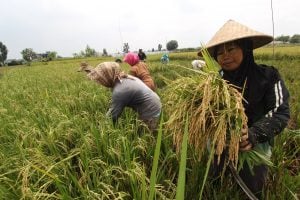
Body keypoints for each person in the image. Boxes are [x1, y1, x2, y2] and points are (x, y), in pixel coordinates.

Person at [198, 20, 290, 198]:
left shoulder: (269, 76)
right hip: (220, 144)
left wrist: (254, 134)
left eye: (231, 49)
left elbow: (280, 112)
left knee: (252, 189)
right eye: (220, 52)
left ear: (246, 48)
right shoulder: (214, 83)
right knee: (216, 185)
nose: (225, 56)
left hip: (254, 146)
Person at [83, 61, 161, 132]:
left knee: (146, 135)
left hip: (151, 111)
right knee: (141, 132)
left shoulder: (120, 90)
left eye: (101, 79)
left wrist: (100, 128)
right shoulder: (125, 77)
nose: (101, 82)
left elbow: (113, 116)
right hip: (154, 103)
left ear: (108, 77)